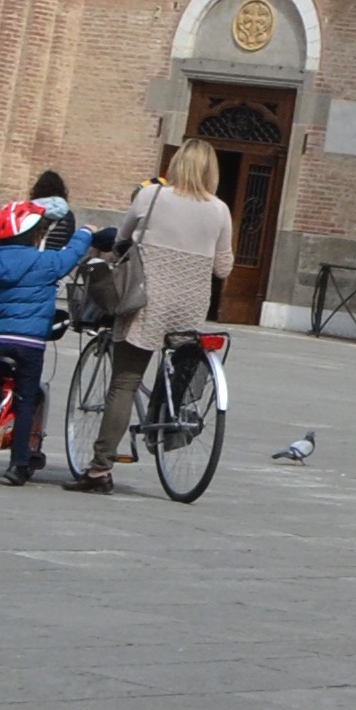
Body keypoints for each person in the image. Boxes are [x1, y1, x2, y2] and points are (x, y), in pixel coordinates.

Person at [80, 139, 236, 489]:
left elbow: (121, 240)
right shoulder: (220, 210)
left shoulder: (151, 197)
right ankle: (168, 423)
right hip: (190, 310)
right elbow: (224, 268)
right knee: (180, 368)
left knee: (124, 382)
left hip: (146, 304)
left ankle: (100, 468)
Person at [0, 199, 77, 484]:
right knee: (26, 400)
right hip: (31, 344)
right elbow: (70, 256)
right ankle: (19, 464)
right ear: (35, 235)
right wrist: (86, 234)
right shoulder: (45, 262)